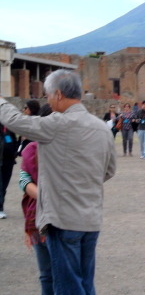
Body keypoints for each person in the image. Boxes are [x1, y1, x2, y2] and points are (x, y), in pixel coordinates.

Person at [0, 69, 116, 294]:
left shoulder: (57, 124)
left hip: (63, 220)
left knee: (67, 287)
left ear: (59, 94)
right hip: (90, 218)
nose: (48, 101)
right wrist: (82, 180)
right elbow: (109, 170)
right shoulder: (101, 128)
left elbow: (15, 121)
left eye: (48, 95)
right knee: (85, 283)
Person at [18, 103, 53, 294]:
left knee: (60, 272)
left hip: (54, 217)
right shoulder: (32, 149)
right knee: (47, 273)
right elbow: (23, 180)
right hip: (38, 218)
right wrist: (46, 196)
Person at [0, 123, 18, 219]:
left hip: (8, 160)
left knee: (4, 185)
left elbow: (14, 140)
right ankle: (0, 208)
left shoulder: (9, 128)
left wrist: (14, 152)